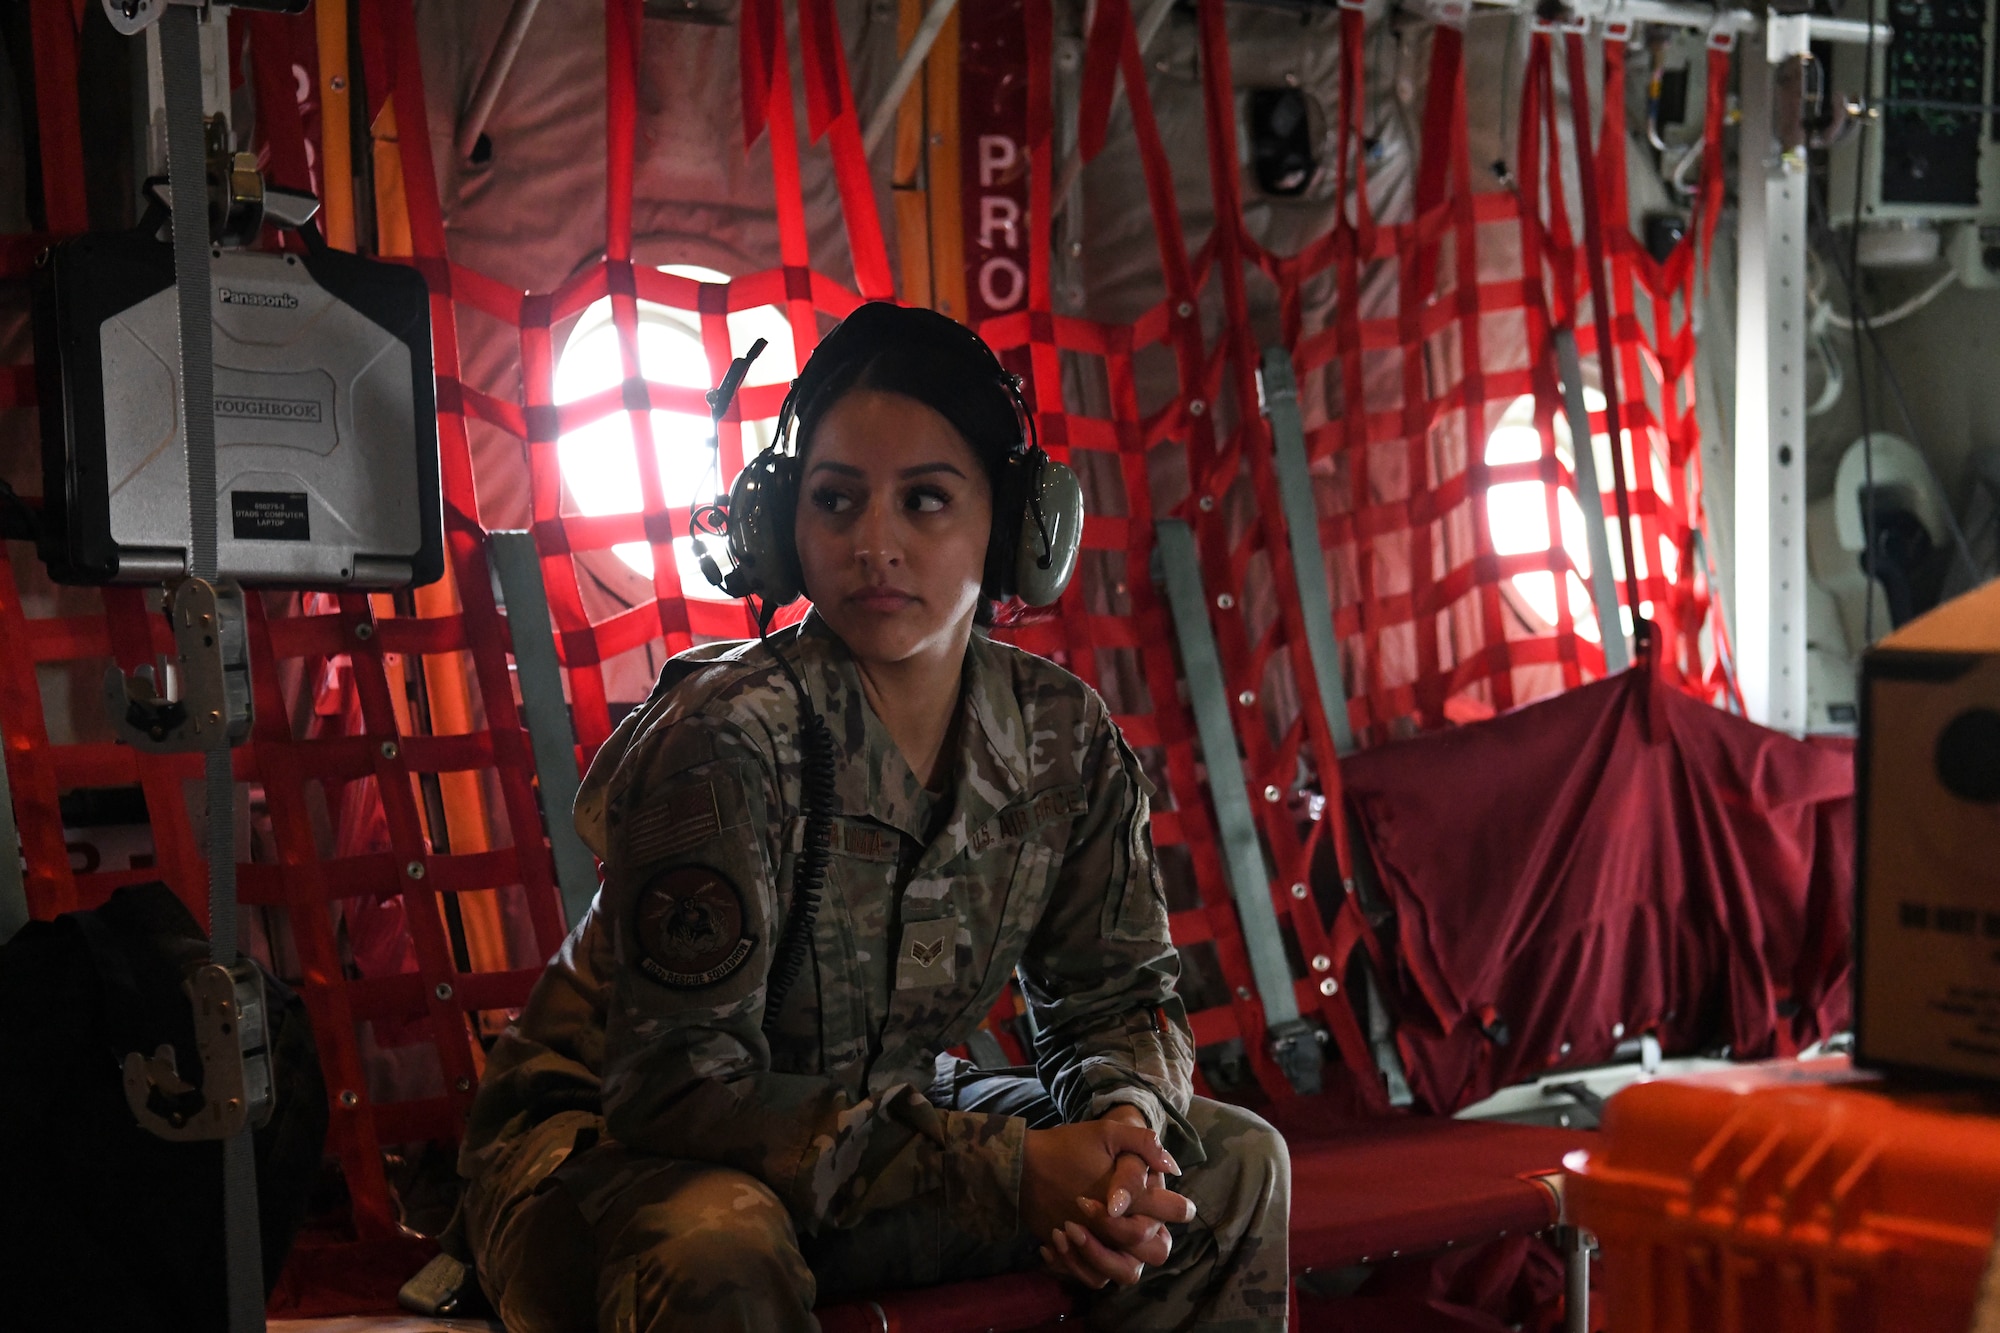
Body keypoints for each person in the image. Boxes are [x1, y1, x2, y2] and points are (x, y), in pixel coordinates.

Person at [457, 302, 1291, 1331]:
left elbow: (1116, 993)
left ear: (1018, 527)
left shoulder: (1060, 737)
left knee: (1231, 1166)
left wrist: (1117, 1134)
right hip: (615, 1161)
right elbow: (676, 1091)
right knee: (719, 1245)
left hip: (875, 1134)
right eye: (835, 501)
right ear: (780, 528)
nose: (873, 544)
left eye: (926, 501)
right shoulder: (725, 741)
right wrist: (1008, 1173)